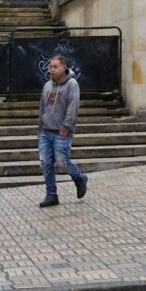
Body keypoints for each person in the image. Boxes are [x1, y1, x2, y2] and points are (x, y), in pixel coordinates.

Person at [37, 54, 88, 208]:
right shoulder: (47, 86)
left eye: (55, 66)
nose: (51, 69)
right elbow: (42, 108)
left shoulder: (72, 84)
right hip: (46, 131)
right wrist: (40, 127)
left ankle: (79, 178)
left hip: (62, 131)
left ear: (63, 68)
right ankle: (51, 194)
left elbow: (73, 107)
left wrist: (66, 126)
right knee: (46, 163)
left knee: (62, 162)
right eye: (50, 66)